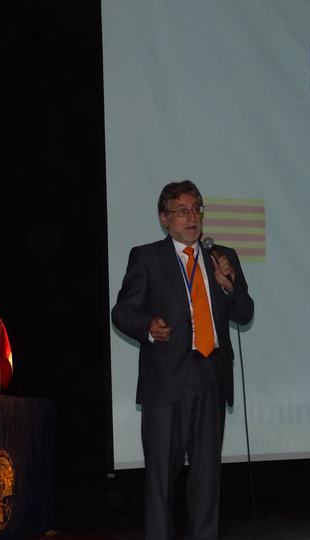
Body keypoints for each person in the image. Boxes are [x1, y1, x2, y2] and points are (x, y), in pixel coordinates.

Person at [111, 180, 254, 540]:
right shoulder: (146, 258)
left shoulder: (222, 257)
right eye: (182, 211)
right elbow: (122, 312)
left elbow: (244, 313)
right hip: (166, 380)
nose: (192, 218)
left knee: (207, 475)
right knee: (161, 476)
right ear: (164, 218)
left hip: (211, 374)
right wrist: (148, 326)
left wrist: (229, 286)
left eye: (196, 209)